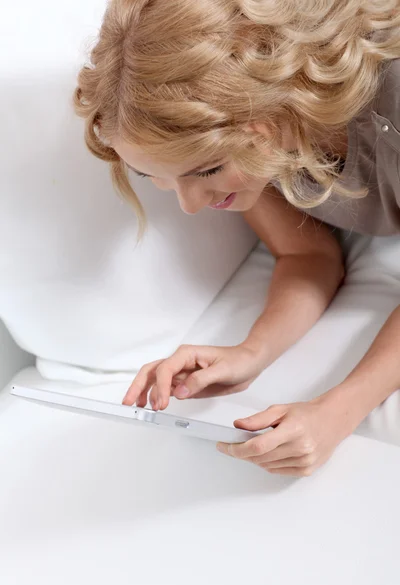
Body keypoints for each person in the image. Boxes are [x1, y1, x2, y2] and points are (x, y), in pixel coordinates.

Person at [74, 0, 400, 476]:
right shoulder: (245, 143)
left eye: (206, 170)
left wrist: (338, 411)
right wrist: (251, 353)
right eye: (153, 177)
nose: (190, 204)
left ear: (278, 106)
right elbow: (305, 252)